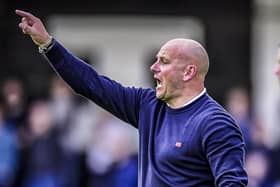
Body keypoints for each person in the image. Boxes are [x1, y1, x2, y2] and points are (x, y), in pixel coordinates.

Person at [15, 9, 248, 186]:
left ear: (189, 72)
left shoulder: (215, 123)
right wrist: (47, 44)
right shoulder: (147, 105)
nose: (153, 67)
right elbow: (92, 84)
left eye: (164, 62)